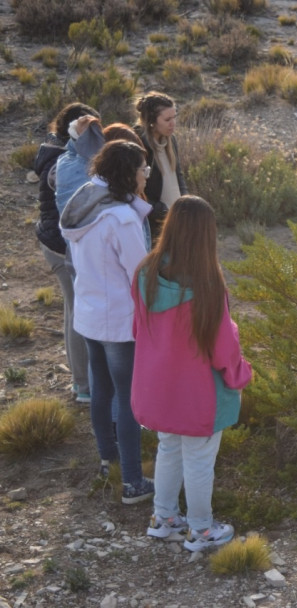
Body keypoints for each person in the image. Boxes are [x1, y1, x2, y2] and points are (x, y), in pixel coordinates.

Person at [131, 195, 252, 552]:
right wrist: (240, 375)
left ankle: (163, 518)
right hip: (199, 395)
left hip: (158, 389)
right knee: (199, 460)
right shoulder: (208, 286)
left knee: (168, 447)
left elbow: (138, 329)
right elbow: (223, 350)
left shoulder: (145, 273)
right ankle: (200, 530)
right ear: (206, 236)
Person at [59, 140, 155, 505]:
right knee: (129, 398)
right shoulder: (121, 218)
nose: (146, 173)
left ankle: (108, 460)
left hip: (89, 315)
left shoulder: (86, 201)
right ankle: (132, 481)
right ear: (127, 172)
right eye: (142, 168)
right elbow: (139, 273)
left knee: (101, 390)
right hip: (118, 320)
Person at [33, 102, 99, 404]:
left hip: (55, 242)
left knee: (73, 310)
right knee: (78, 313)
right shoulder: (61, 160)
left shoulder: (56, 151)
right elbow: (67, 192)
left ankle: (80, 379)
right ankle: (83, 385)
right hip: (62, 247)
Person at [134, 91, 187, 241]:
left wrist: (186, 201)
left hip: (175, 217)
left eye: (174, 117)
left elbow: (178, 174)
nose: (173, 123)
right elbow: (134, 190)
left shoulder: (171, 140)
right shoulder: (138, 144)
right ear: (152, 121)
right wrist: (160, 210)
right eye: (167, 119)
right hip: (153, 222)